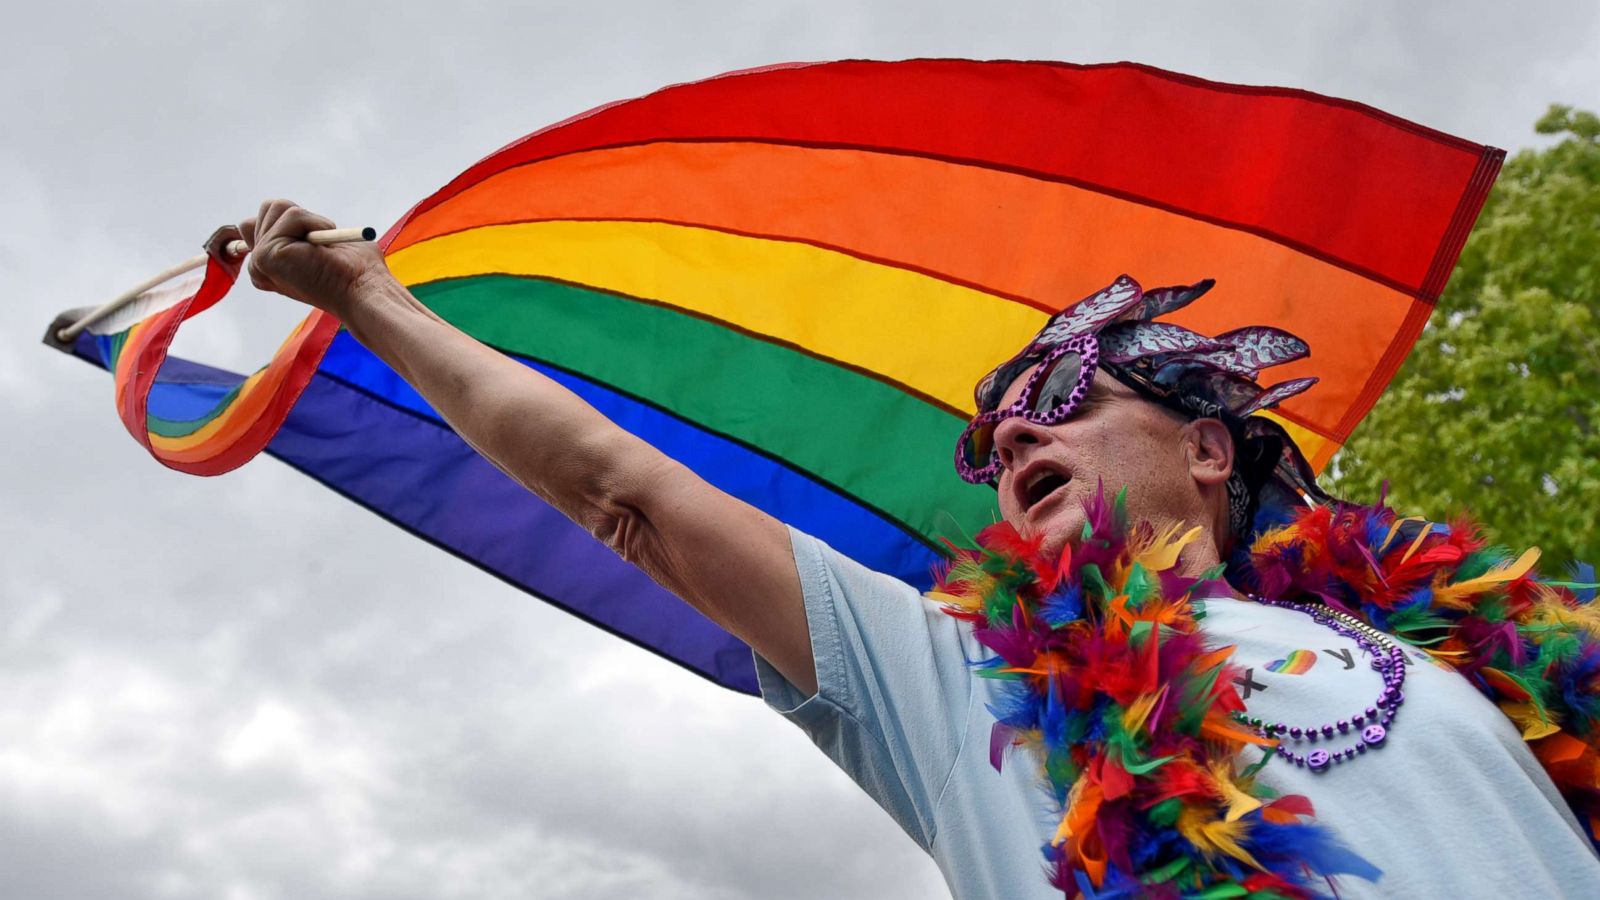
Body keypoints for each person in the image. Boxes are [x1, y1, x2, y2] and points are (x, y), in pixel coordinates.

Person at [236, 200, 1600, 899]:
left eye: (1058, 404)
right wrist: (370, 298)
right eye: (992, 447)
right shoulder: (957, 680)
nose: (1011, 448)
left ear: (1208, 449)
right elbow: (620, 490)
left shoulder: (1463, 650)